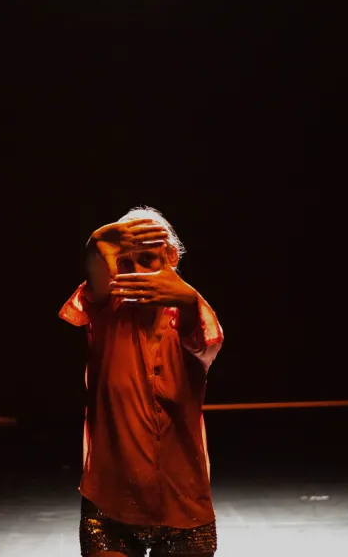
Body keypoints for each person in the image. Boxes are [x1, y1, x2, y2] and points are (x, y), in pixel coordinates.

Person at [59, 206, 224, 557]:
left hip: (185, 507)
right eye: (124, 262)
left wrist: (190, 299)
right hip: (110, 505)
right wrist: (99, 242)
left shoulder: (191, 320)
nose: (134, 273)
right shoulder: (105, 316)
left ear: (171, 256)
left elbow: (204, 341)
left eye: (146, 259)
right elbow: (95, 276)